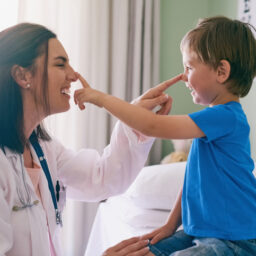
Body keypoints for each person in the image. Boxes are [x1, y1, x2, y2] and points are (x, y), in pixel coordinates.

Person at [74, 16, 256, 255]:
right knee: (147, 249)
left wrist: (102, 99)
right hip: (201, 232)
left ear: (221, 71)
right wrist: (170, 225)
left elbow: (151, 126)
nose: (183, 77)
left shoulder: (226, 117)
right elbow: (193, 180)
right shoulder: (212, 121)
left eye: (189, 68)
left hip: (234, 240)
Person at [0, 22, 177, 256]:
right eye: (60, 64)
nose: (73, 75)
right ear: (22, 75)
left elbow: (102, 177)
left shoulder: (43, 150)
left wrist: (137, 119)